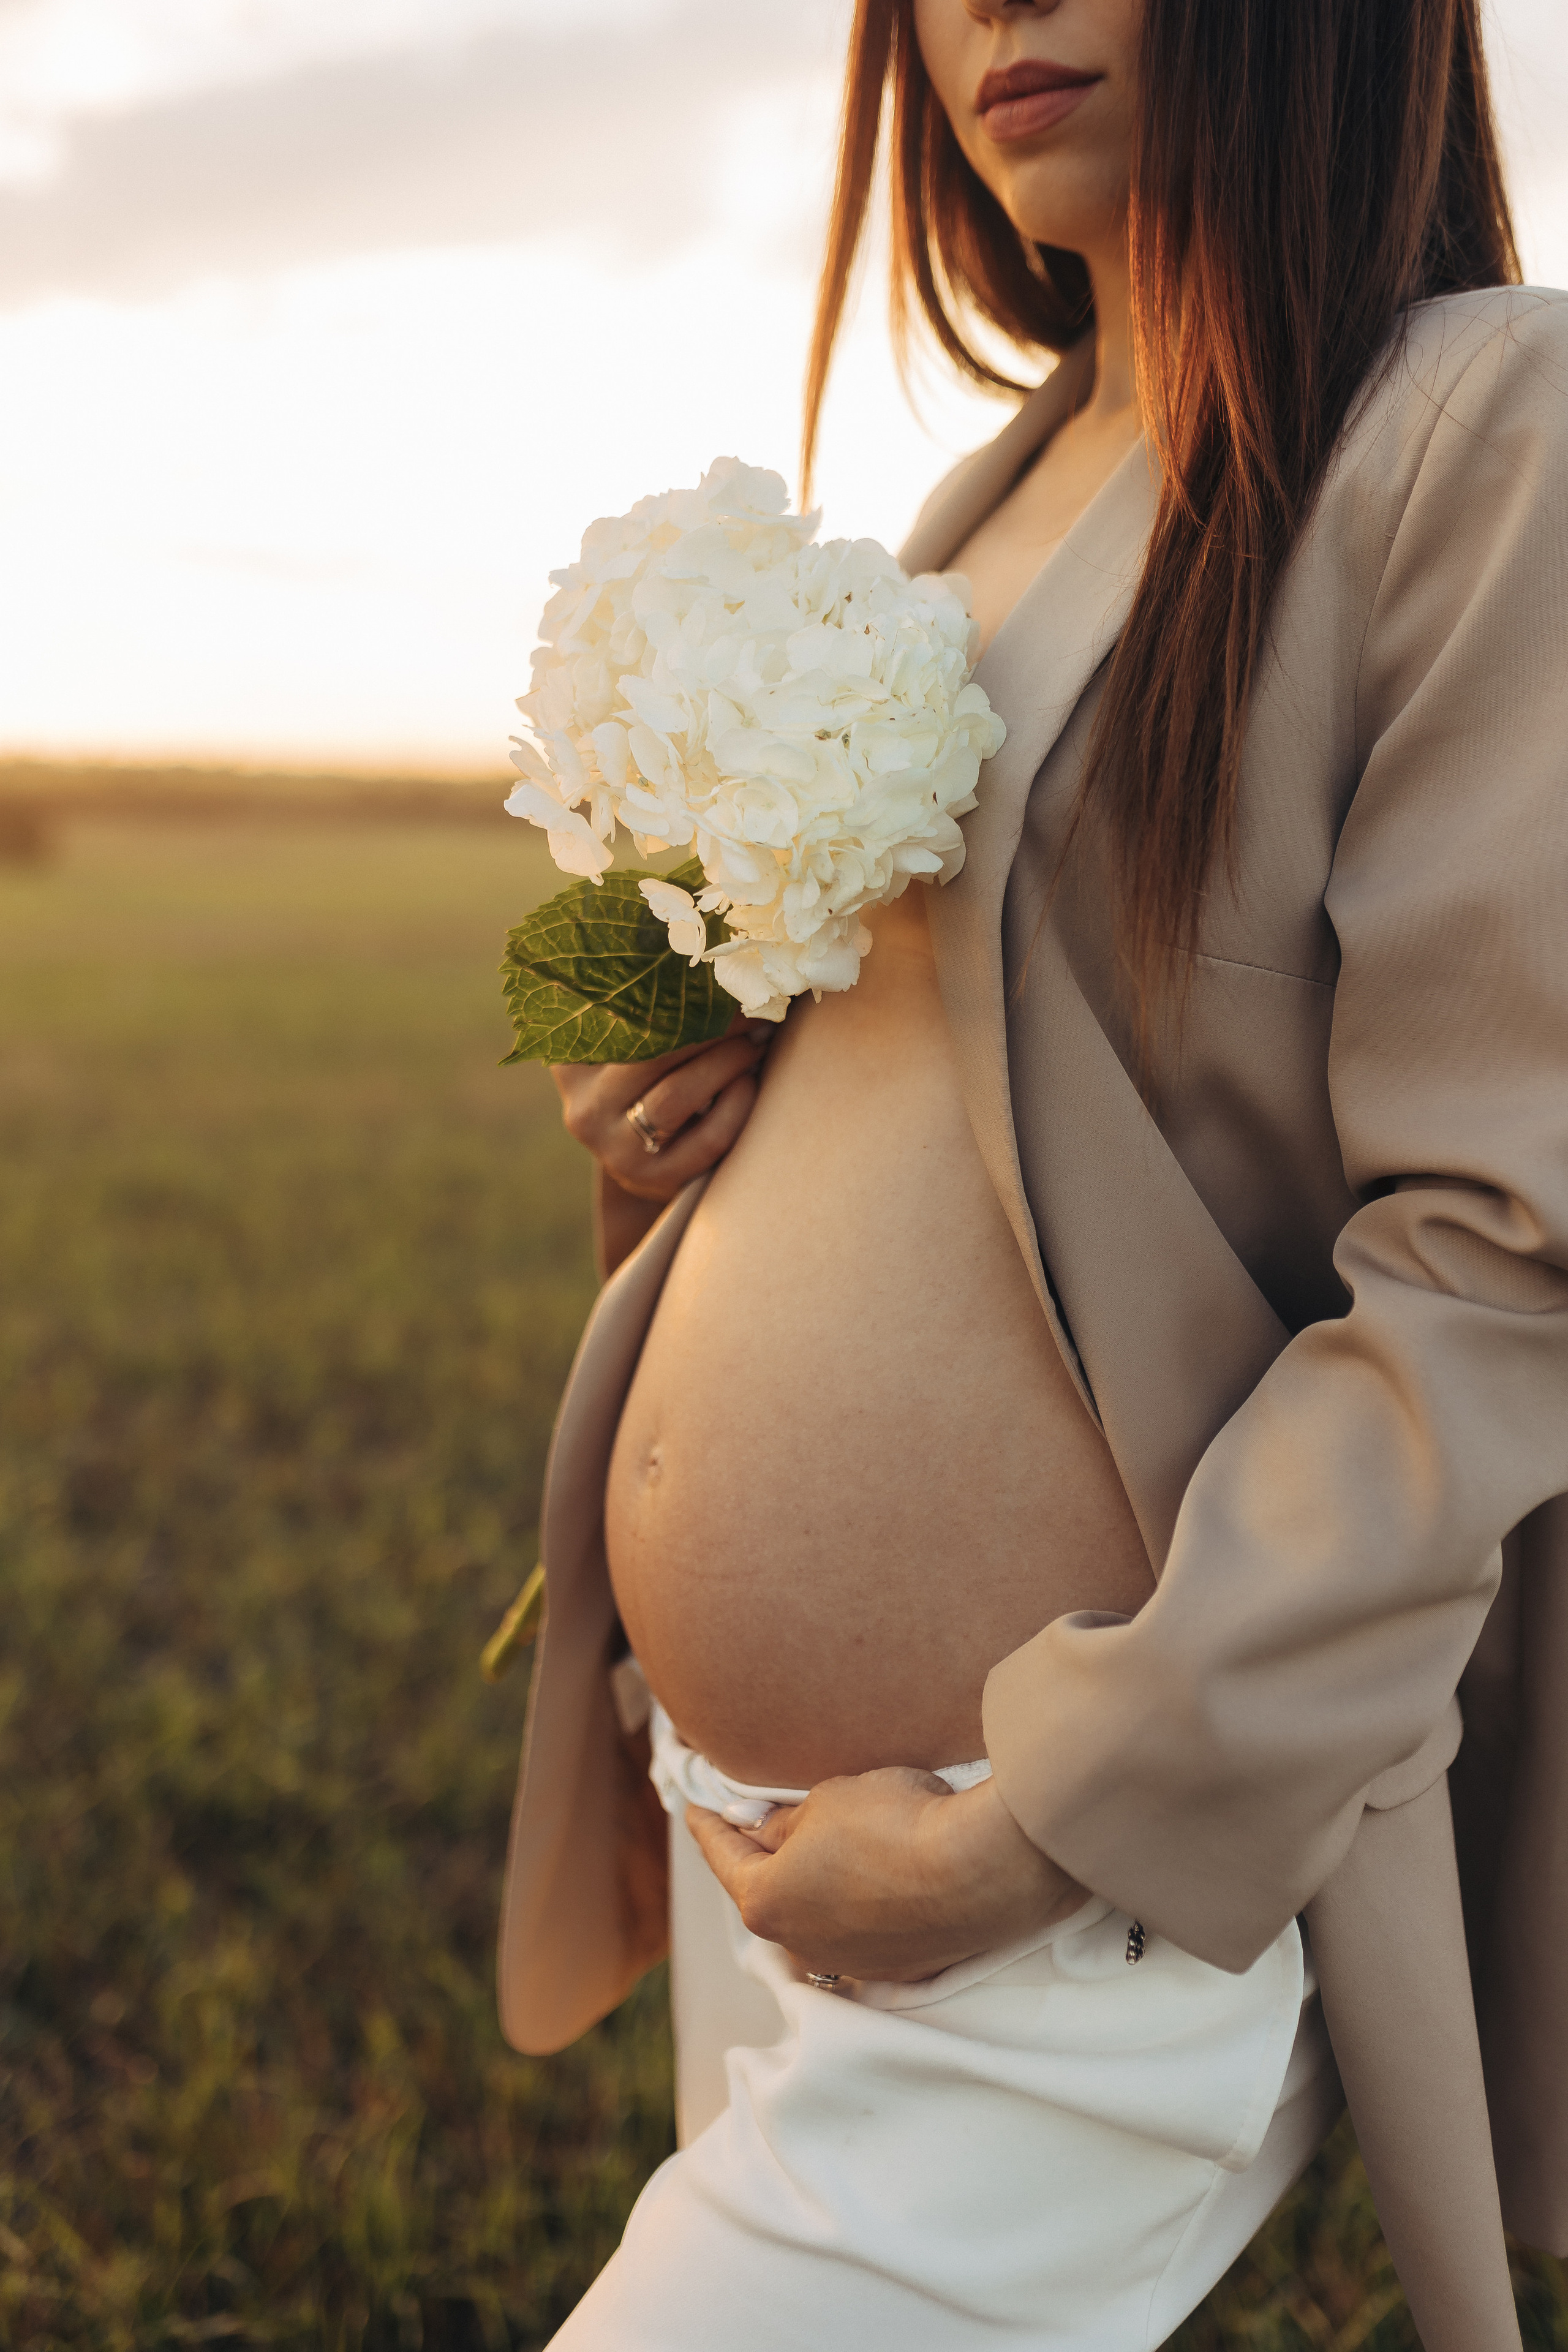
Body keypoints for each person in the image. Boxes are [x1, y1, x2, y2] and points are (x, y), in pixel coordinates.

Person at [497, 1, 1568, 2343]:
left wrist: (1047, 1820)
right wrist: (679, 1115)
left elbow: (1501, 1270)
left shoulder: (1480, 422)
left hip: (1072, 1862)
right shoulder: (993, 488)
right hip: (773, 1832)